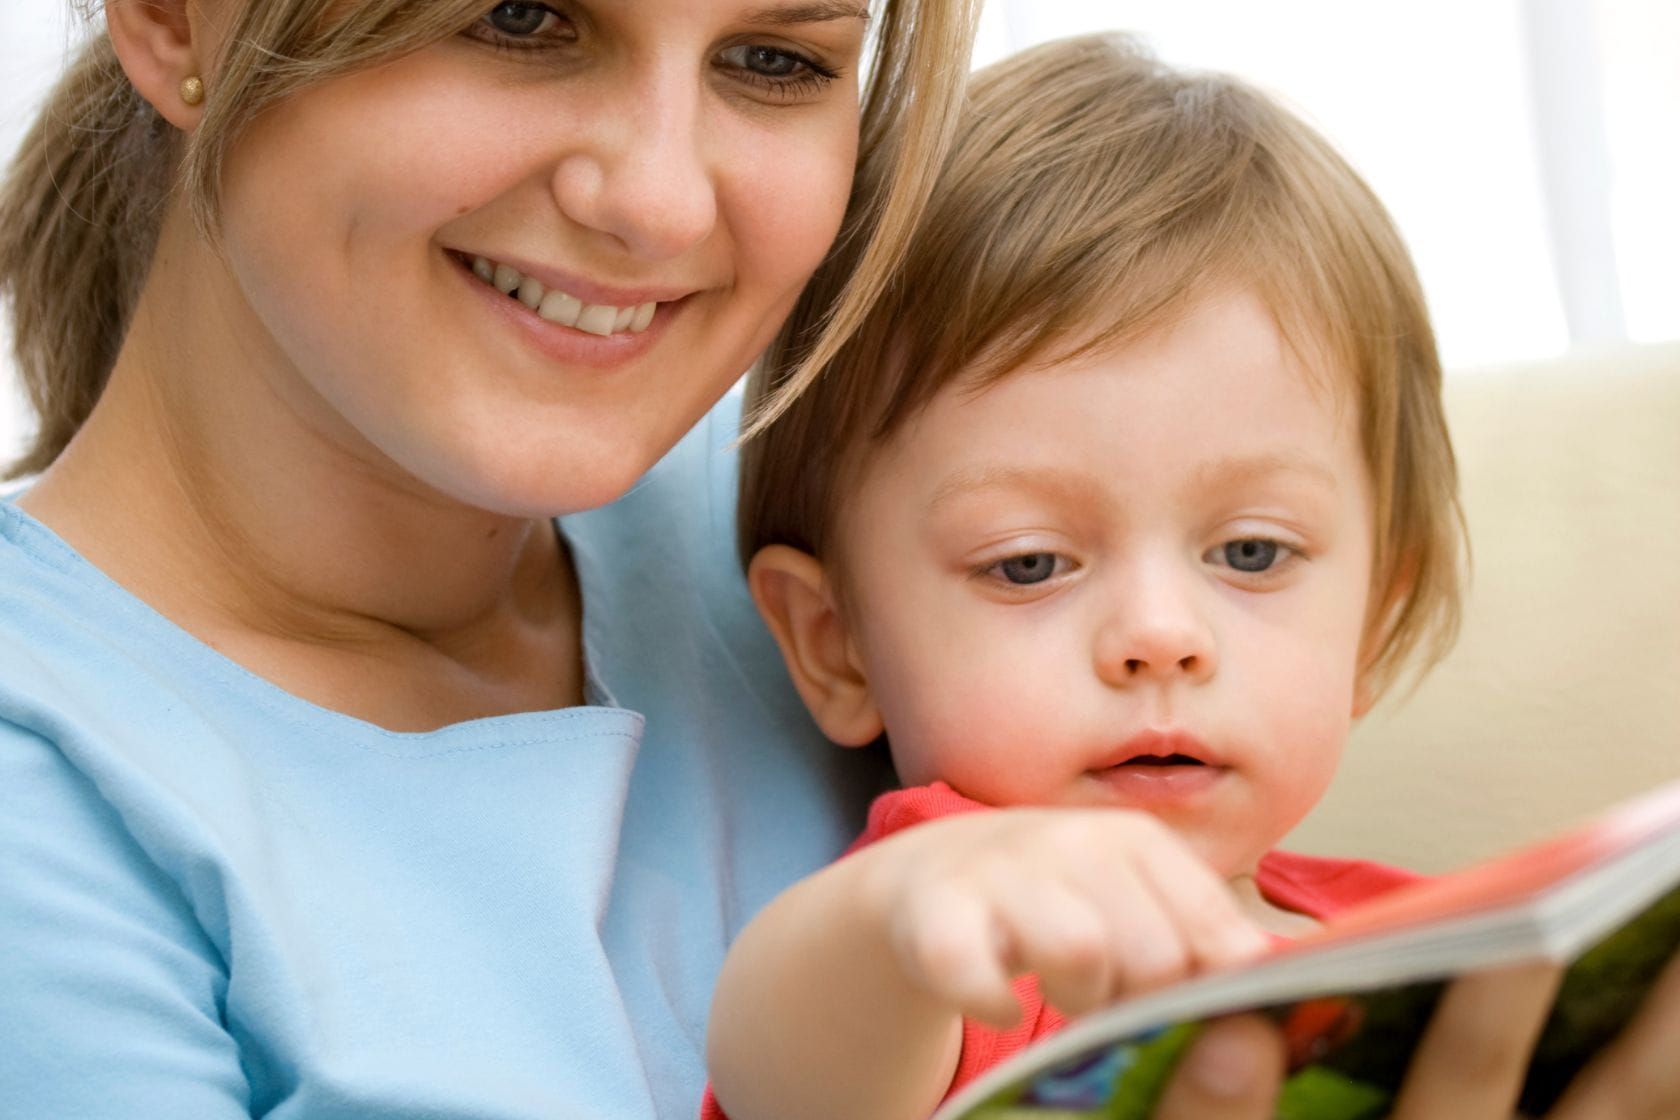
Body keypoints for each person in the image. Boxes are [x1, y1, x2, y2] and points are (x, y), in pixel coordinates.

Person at [0, 1, 982, 1116]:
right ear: (176, 21)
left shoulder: (862, 547)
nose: (660, 202)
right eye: (521, 20)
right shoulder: (40, 813)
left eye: (773, 61)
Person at [704, 34, 1680, 1120]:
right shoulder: (965, 933)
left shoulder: (1438, 944)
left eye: (1252, 553)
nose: (1161, 635)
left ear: (1372, 618)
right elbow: (780, 1064)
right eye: (1029, 563)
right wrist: (896, 917)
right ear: (835, 641)